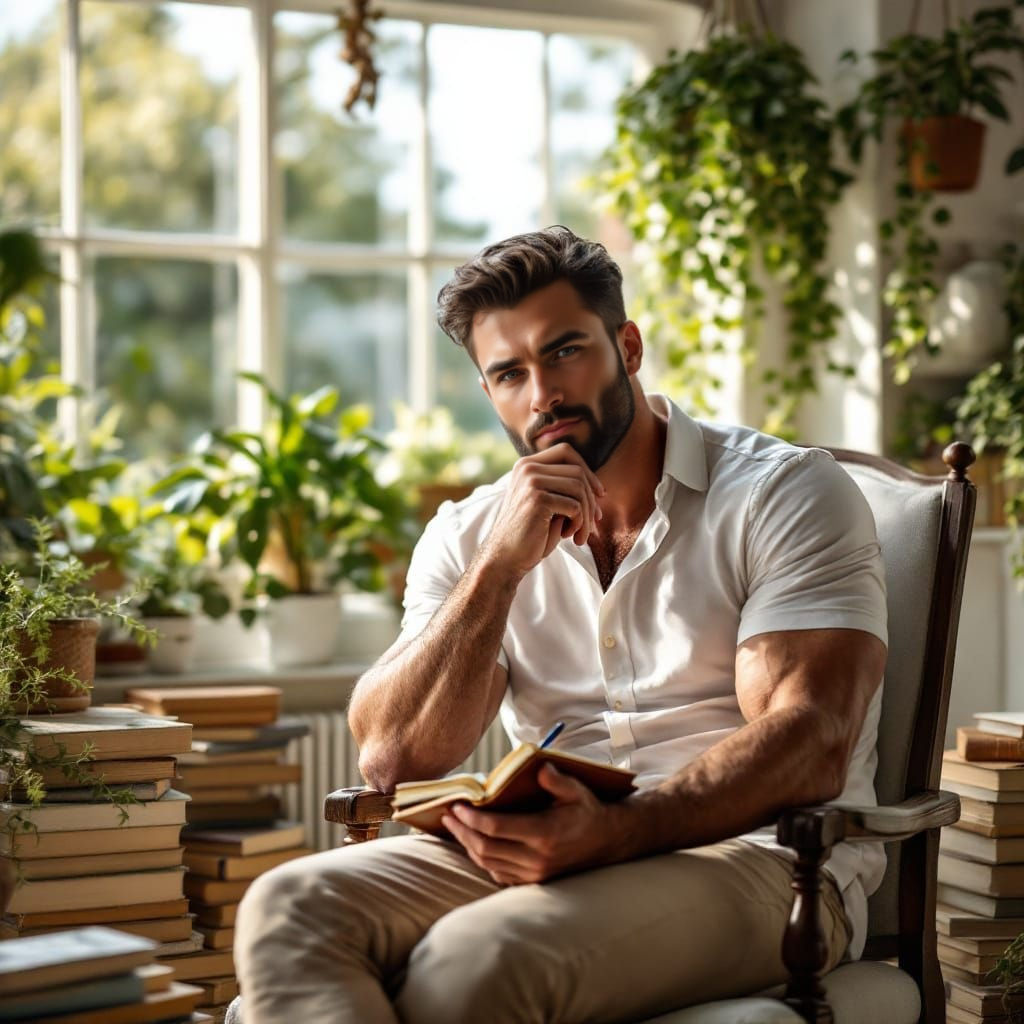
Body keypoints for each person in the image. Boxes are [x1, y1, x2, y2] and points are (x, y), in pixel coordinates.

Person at [234, 226, 888, 1024]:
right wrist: (499, 571)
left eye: (565, 351)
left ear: (628, 346)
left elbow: (811, 740)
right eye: (509, 372)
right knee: (285, 908)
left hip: (761, 864)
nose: (541, 393)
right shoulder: (470, 535)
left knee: (474, 964)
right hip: (551, 853)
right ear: (488, 393)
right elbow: (393, 755)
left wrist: (614, 832)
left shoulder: (783, 494)